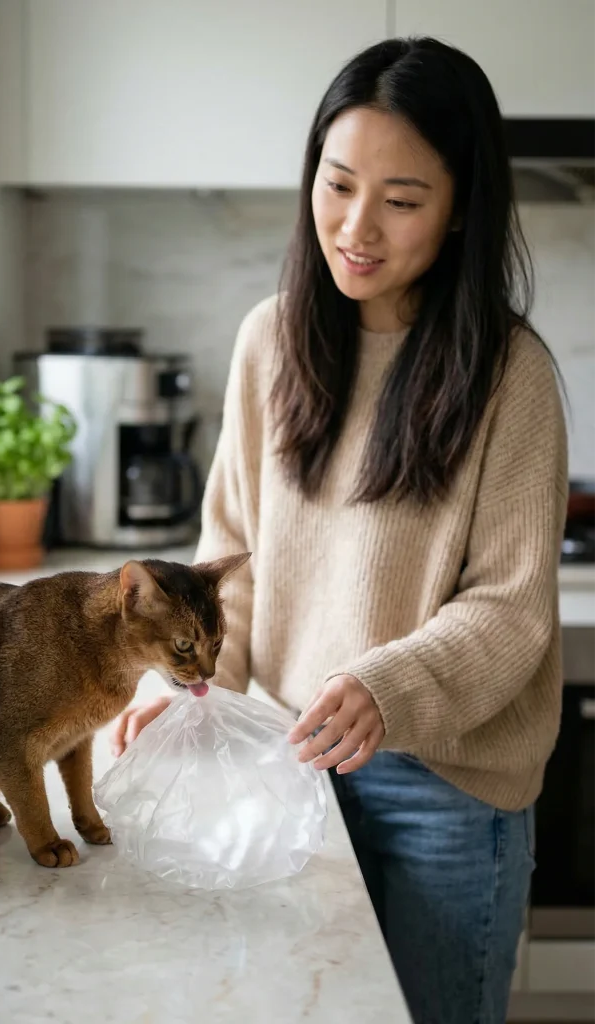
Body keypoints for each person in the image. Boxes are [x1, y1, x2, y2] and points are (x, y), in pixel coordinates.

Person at [112, 36, 568, 1024]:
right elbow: (228, 546)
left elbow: (510, 603)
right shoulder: (268, 341)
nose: (357, 227)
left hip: (445, 794)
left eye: (403, 201)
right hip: (284, 769)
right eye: (338, 183)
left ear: (457, 215)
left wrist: (386, 685)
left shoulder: (511, 374)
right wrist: (188, 690)